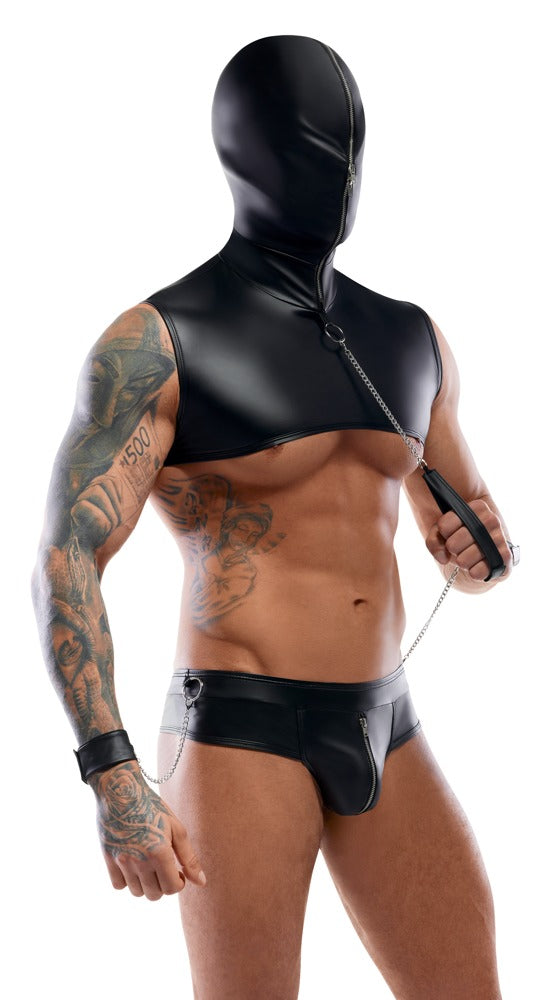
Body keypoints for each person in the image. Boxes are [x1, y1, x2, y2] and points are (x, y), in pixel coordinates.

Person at [31, 33, 518, 1000]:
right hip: (240, 730)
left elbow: (467, 537)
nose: (338, 176)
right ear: (245, 157)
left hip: (388, 718)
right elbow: (67, 554)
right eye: (312, 151)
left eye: (350, 150)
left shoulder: (408, 337)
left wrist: (481, 557)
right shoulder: (161, 342)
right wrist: (110, 769)